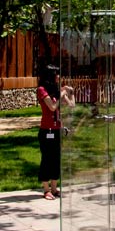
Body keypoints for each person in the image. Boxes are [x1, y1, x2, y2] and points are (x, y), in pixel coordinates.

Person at [37, 64, 75, 200]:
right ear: (50, 76)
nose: (59, 77)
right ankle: (46, 189)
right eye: (57, 74)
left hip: (57, 129)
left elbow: (71, 105)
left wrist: (70, 93)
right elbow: (52, 107)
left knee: (55, 159)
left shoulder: (56, 90)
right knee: (46, 159)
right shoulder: (41, 90)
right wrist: (61, 94)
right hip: (46, 130)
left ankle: (54, 188)